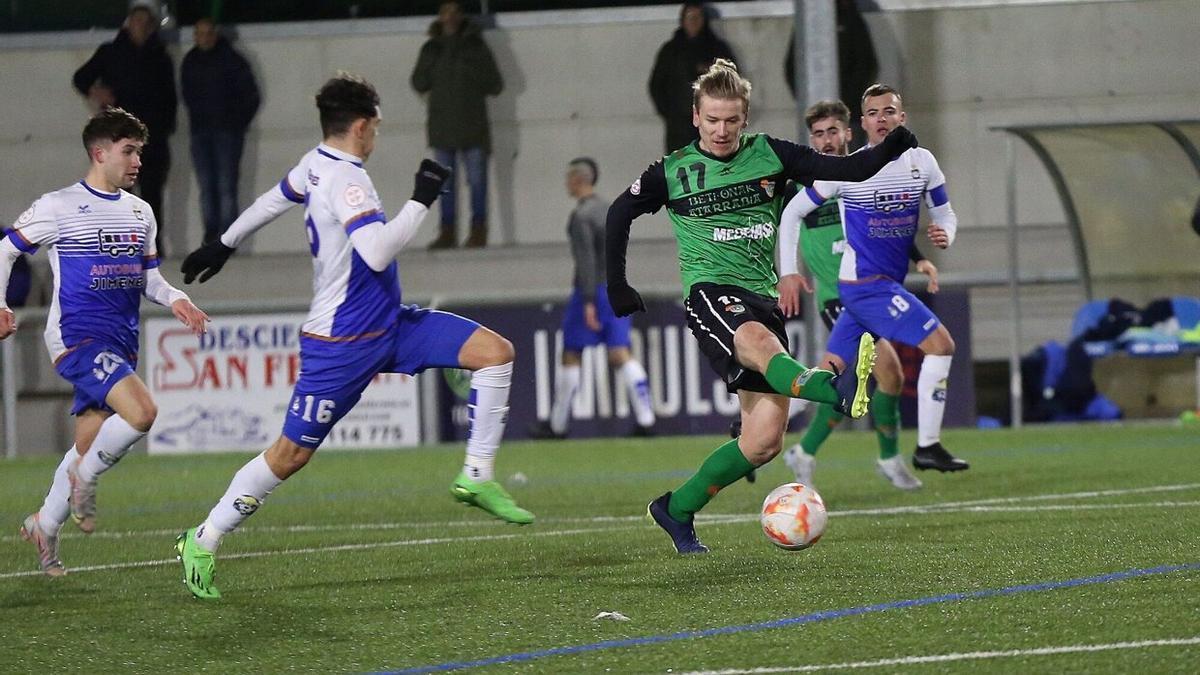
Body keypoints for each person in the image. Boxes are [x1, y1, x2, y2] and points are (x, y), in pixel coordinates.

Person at [173, 74, 533, 600]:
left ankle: (476, 476)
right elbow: (377, 252)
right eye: (377, 126)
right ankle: (203, 538)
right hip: (340, 345)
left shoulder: (315, 163)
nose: (377, 135)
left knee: (496, 353)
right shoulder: (348, 180)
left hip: (390, 325)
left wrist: (223, 242)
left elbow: (274, 200)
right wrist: (422, 200)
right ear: (362, 126)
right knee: (289, 456)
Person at [607, 60, 919, 554]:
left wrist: (892, 146)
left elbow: (847, 170)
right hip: (710, 293)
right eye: (712, 119)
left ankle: (676, 508)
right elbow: (619, 212)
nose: (722, 129)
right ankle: (826, 385)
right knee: (759, 343)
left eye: (731, 119)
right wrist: (617, 286)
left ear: (745, 117)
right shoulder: (673, 170)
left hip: (762, 297)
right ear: (695, 117)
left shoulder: (771, 155)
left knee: (763, 443)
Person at [0, 108, 208, 577]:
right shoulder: (59, 206)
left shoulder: (141, 212)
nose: (137, 161)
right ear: (99, 152)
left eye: (139, 151)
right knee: (144, 412)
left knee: (86, 444)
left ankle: (44, 524)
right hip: (76, 337)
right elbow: (6, 248)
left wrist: (177, 299)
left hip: (120, 341)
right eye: (128, 151)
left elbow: (149, 278)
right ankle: (83, 480)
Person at [779, 84, 969, 477]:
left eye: (889, 111)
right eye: (874, 113)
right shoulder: (847, 173)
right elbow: (791, 213)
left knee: (830, 375)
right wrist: (788, 272)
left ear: (903, 117)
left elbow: (944, 215)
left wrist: (942, 237)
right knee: (940, 345)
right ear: (863, 122)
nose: (881, 119)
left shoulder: (923, 163)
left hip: (879, 285)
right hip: (864, 287)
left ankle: (772, 430)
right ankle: (926, 447)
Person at [529, 158, 657, 440]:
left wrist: (588, 301)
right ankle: (647, 419)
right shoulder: (610, 209)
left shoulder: (582, 216)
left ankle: (558, 424)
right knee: (620, 351)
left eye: (568, 178)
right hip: (618, 287)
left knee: (571, 352)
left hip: (593, 290)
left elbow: (586, 261)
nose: (566, 183)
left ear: (578, 179)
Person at [73, 3, 177, 255]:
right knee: (119, 193)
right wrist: (96, 92)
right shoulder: (111, 52)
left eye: (145, 23)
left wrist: (165, 128)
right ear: (128, 24)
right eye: (136, 22)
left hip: (152, 138)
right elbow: (81, 78)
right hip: (119, 137)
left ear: (151, 27)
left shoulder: (159, 56)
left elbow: (170, 97)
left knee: (151, 195)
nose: (140, 28)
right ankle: (121, 246)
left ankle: (152, 247)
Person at [411, 0, 504, 250]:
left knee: (477, 184)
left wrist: (470, 63)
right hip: (443, 129)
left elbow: (495, 84)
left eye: (454, 12)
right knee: (444, 186)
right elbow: (418, 82)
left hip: (473, 128)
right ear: (440, 16)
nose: (449, 17)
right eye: (445, 12)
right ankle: (447, 233)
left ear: (461, 15)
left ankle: (478, 231)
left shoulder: (476, 46)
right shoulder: (432, 48)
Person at [181, 17, 262, 244]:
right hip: (201, 131)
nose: (204, 38)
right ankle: (211, 234)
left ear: (215, 34)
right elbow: (188, 95)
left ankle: (226, 236)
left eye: (208, 33)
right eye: (200, 33)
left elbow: (250, 96)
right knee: (207, 186)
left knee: (226, 185)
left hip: (226, 132)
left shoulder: (231, 60)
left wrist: (236, 123)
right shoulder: (191, 61)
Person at [649, 2, 736, 153]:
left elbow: (732, 80)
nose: (694, 22)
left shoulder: (717, 48)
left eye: (698, 17)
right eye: (690, 17)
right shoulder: (671, 51)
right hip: (679, 127)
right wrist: (670, 114)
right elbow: (656, 85)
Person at [783, 0, 878, 130]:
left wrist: (847, 103)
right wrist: (807, 104)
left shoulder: (852, 20)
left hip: (849, 117)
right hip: (817, 117)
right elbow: (793, 67)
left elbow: (867, 65)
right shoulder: (808, 22)